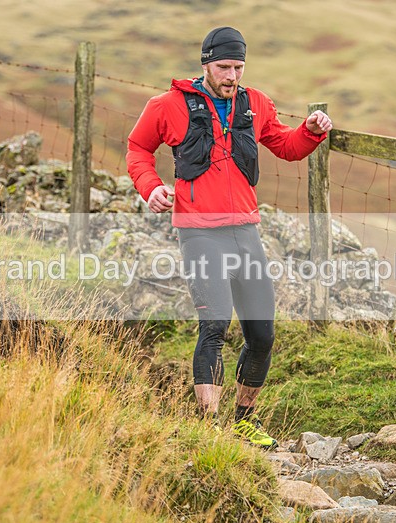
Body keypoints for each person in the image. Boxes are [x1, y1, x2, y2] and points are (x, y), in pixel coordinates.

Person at [126, 26, 333, 449]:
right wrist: (151, 187)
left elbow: (287, 146)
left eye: (239, 67)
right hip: (199, 233)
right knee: (215, 325)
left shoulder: (256, 104)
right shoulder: (166, 106)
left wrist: (311, 130)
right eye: (224, 67)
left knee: (262, 334)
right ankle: (208, 430)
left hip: (245, 231)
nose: (232, 75)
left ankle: (244, 421)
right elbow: (137, 149)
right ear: (206, 63)